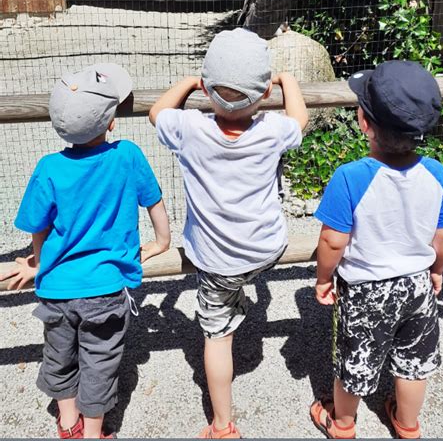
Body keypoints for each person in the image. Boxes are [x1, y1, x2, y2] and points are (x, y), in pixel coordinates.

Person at [149, 27, 308, 439]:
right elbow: (300, 120)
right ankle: (243, 297)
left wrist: (188, 83)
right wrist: (287, 81)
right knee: (244, 280)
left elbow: (156, 113)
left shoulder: (188, 128)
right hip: (266, 250)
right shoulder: (272, 129)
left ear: (207, 88)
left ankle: (222, 426)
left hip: (216, 262)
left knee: (216, 337)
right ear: (262, 96)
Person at [0, 63, 171, 439]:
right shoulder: (127, 155)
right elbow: (155, 204)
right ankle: (93, 432)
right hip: (105, 290)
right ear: (110, 123)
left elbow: (38, 228)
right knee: (100, 362)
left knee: (59, 357)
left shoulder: (48, 168)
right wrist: (161, 243)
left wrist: (39, 265)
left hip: (57, 291)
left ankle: (67, 423)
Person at [310, 60, 443, 439]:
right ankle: (407, 424)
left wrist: (324, 278)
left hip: (366, 289)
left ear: (364, 122)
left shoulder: (350, 176)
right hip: (417, 285)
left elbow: (332, 240)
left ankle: (343, 423)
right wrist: (437, 271)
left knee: (355, 360)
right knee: (414, 361)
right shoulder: (436, 172)